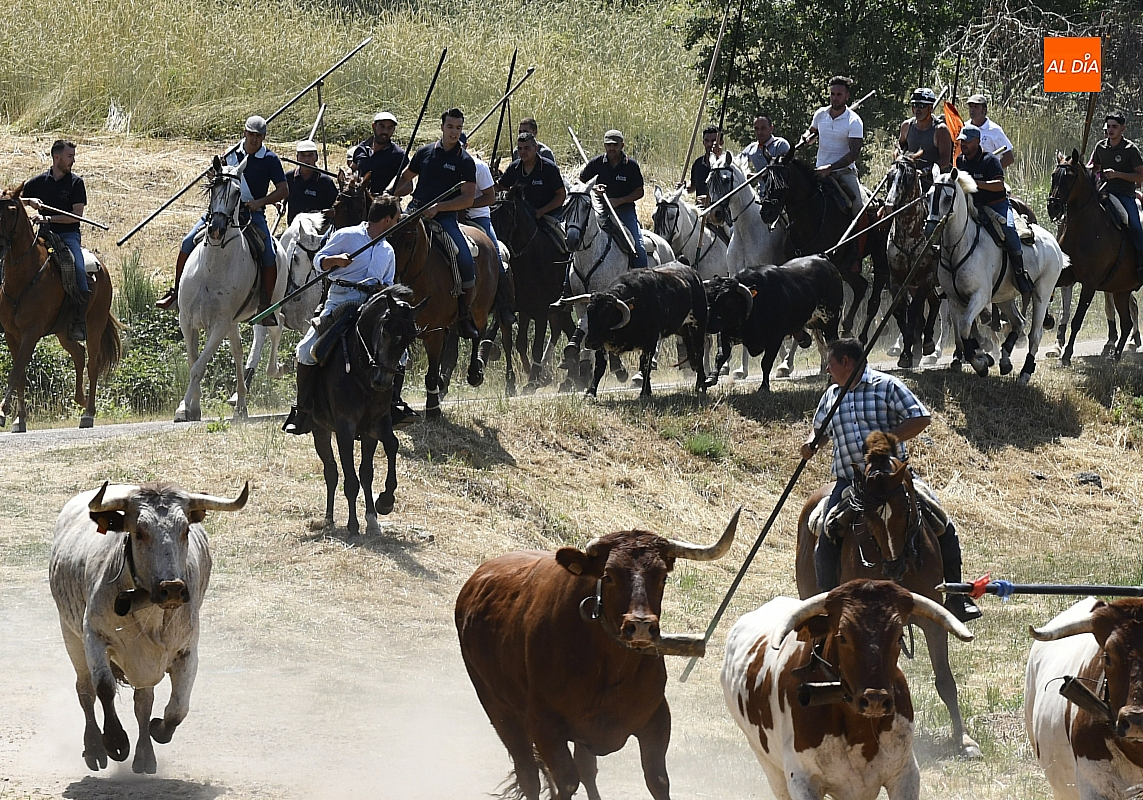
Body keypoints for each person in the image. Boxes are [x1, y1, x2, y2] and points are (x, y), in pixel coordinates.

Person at [800, 338, 980, 622]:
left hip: (892, 480)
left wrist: (888, 439)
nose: (827, 370)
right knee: (827, 534)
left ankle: (957, 597)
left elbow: (920, 417)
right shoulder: (831, 395)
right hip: (851, 482)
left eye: (830, 363)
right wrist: (812, 443)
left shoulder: (886, 386)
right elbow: (820, 430)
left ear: (846, 362)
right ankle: (830, 605)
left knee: (942, 522)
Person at [283, 196, 402, 435]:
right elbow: (319, 261)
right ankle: (303, 410)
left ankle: (393, 406)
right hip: (341, 299)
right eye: (397, 219)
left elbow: (389, 283)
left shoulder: (388, 251)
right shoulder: (347, 236)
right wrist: (335, 260)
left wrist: (384, 289)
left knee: (401, 354)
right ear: (388, 219)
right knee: (305, 351)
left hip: (372, 306)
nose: (398, 222)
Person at [158, 116, 288, 323]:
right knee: (187, 241)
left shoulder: (270, 159)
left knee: (269, 254)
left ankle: (265, 306)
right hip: (222, 211)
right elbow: (218, 179)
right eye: (251, 134)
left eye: (258, 136)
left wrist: (259, 202)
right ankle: (177, 293)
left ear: (264, 137)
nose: (254, 139)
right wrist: (213, 176)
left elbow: (283, 190)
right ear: (244, 133)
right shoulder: (230, 153)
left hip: (251, 213)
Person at [392, 107, 481, 339]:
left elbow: (468, 199)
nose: (454, 132)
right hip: (414, 211)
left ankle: (464, 313)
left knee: (464, 258)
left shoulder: (465, 161)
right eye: (450, 127)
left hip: (445, 218)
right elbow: (405, 178)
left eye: (458, 128)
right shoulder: (424, 152)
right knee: (387, 243)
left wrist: (440, 207)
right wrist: (391, 193)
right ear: (442, 127)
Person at [21, 139, 89, 341]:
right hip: (42, 234)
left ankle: (79, 319)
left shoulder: (76, 183)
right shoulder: (38, 182)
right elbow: (13, 199)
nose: (73, 161)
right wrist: (29, 201)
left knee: (78, 267)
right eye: (70, 156)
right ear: (56, 157)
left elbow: (76, 216)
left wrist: (48, 218)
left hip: (68, 235)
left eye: (73, 156)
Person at [956, 123, 1032, 294]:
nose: (963, 144)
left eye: (967, 141)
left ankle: (1019, 273)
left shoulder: (990, 160)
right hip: (973, 205)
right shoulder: (961, 160)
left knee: (1009, 229)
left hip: (996, 205)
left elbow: (999, 185)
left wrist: (976, 183)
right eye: (962, 141)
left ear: (977, 141)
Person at [459, 133, 514, 327]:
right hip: (452, 215)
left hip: (478, 216)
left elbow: (490, 197)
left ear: (466, 145)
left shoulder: (479, 167)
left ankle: (504, 304)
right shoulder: (446, 164)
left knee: (495, 255)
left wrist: (467, 204)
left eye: (460, 145)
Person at [578, 129, 647, 268]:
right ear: (604, 145)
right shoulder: (596, 163)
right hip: (599, 211)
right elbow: (579, 182)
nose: (612, 148)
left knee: (638, 247)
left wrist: (619, 201)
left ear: (622, 145)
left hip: (624, 212)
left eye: (615, 145)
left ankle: (643, 275)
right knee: (577, 238)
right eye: (609, 145)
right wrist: (593, 188)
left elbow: (639, 192)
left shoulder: (631, 166)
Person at [799, 76, 864, 217]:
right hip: (819, 171)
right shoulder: (820, 114)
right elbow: (811, 132)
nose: (835, 98)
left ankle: (861, 232)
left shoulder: (854, 121)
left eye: (839, 94)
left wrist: (830, 168)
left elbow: (854, 154)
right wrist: (805, 137)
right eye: (832, 94)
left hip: (844, 172)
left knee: (858, 206)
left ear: (847, 96)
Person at [1089, 111, 1143, 277]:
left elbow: (1140, 176)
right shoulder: (1100, 147)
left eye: (1115, 126)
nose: (1111, 130)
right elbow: (1095, 167)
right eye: (1109, 126)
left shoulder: (1130, 150)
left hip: (1125, 194)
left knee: (1135, 225)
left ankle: (1141, 262)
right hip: (1103, 191)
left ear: (1122, 129)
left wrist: (1118, 174)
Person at [896, 88, 952, 191]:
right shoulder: (907, 126)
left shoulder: (940, 130)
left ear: (930, 108)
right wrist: (898, 154)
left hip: (935, 181)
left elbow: (945, 160)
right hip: (911, 178)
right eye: (915, 105)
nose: (917, 109)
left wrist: (925, 171)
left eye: (922, 106)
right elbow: (901, 145)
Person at [353, 111, 406, 196]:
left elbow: (408, 186)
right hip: (359, 200)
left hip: (384, 202)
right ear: (374, 126)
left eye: (390, 128)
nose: (385, 131)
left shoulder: (399, 155)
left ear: (393, 130)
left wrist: (387, 194)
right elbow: (353, 168)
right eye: (382, 126)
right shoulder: (361, 148)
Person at [283, 140, 337, 224]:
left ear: (316, 157)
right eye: (303, 155)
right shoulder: (289, 177)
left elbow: (336, 209)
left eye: (310, 155)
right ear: (297, 157)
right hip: (294, 227)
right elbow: (280, 196)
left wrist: (322, 214)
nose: (306, 159)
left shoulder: (325, 181)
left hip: (319, 228)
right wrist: (279, 204)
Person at [966, 94, 1014, 169]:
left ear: (984, 110)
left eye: (976, 107)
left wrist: (992, 170)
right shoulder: (964, 127)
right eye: (970, 107)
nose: (972, 110)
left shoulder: (995, 130)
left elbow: (1009, 158)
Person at [684, 125, 723, 204]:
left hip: (719, 209)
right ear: (703, 142)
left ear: (721, 143)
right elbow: (693, 185)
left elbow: (730, 193)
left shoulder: (725, 166)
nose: (709, 144)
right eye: (706, 141)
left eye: (713, 141)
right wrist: (684, 188)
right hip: (700, 209)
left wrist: (709, 199)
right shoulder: (698, 163)